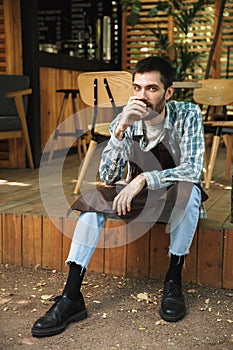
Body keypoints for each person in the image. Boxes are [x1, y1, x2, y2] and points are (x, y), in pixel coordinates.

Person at [32, 56, 207, 337]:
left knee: (190, 191)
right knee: (92, 201)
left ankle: (173, 281)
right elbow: (109, 175)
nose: (142, 96)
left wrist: (142, 178)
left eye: (151, 88)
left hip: (172, 197)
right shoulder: (126, 117)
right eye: (137, 88)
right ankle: (71, 296)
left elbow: (192, 169)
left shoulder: (188, 114)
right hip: (138, 199)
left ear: (168, 92)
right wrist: (120, 130)